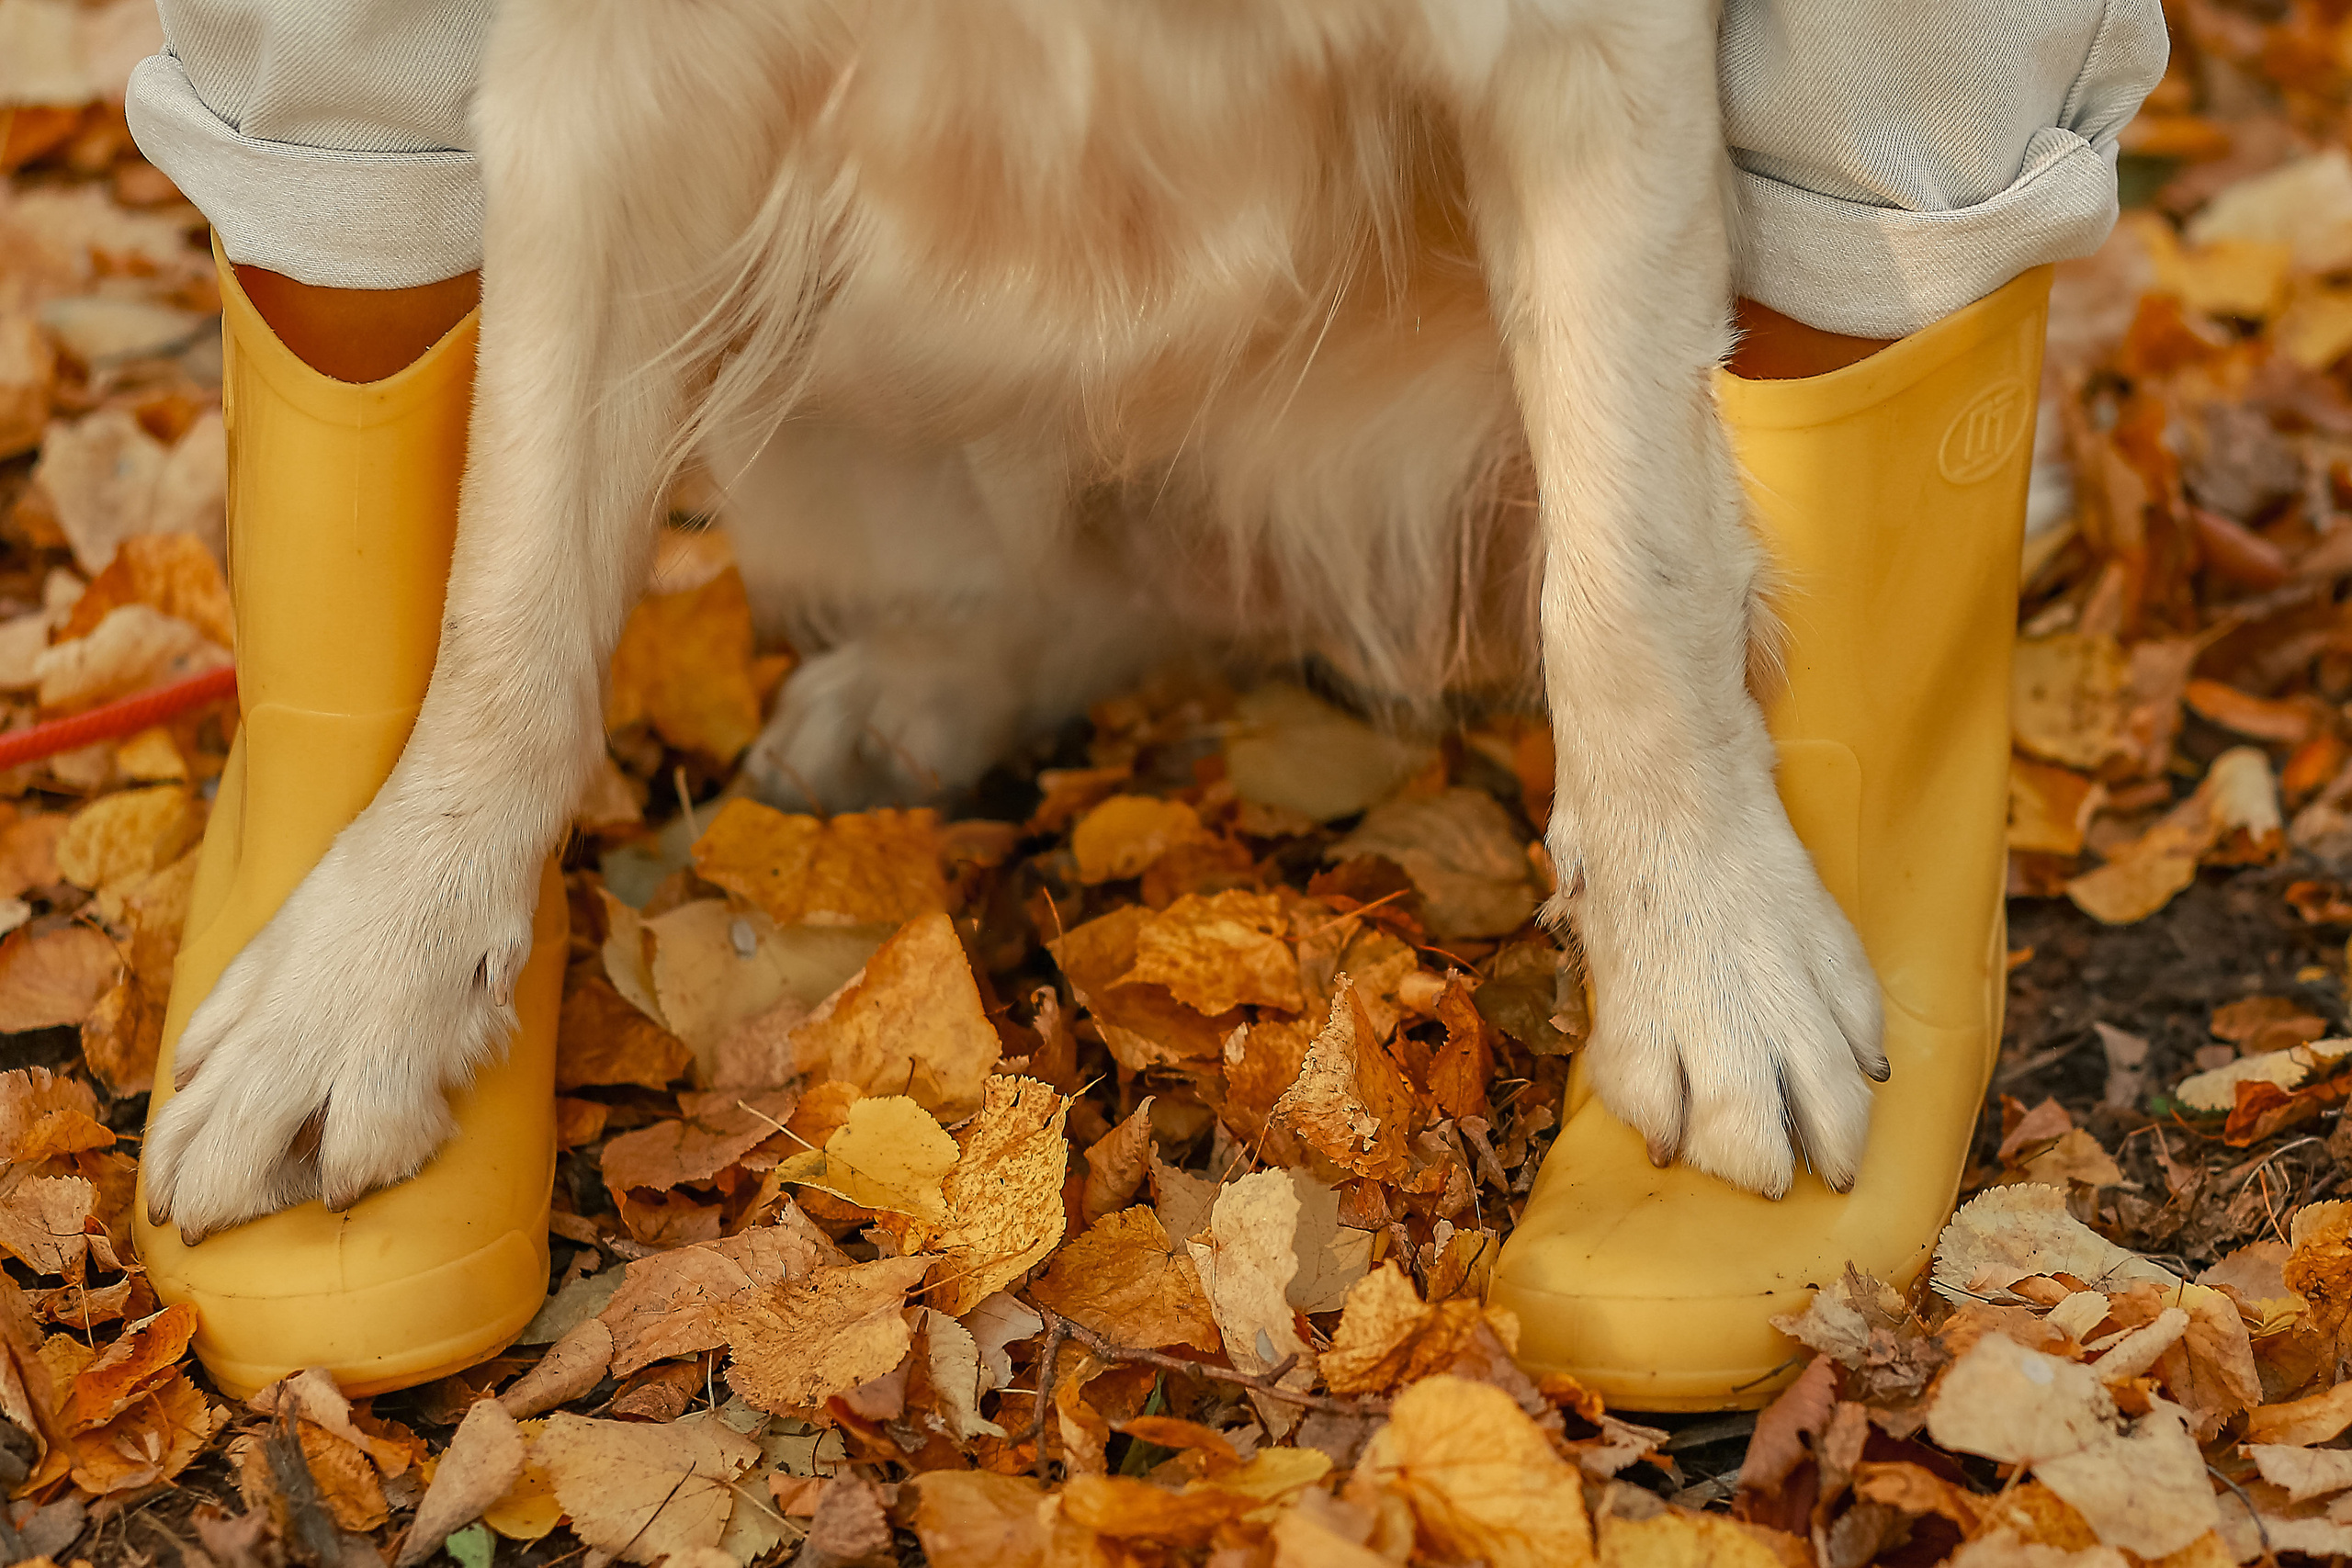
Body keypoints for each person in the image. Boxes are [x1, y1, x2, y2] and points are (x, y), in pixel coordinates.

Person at [123, 0, 2166, 1405]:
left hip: (1429, 387)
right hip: (960, 405)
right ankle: (401, 796)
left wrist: (1668, 786)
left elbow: (1576, 60)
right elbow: (600, 94)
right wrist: (471, 792)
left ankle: (1766, 775)